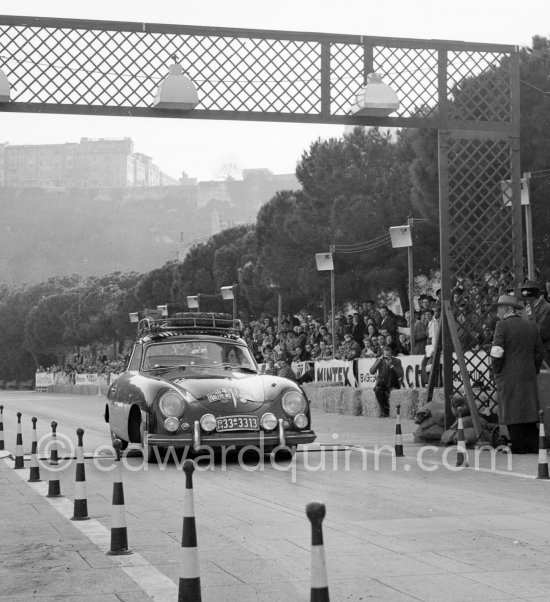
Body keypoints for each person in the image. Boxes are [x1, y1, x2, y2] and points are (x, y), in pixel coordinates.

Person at [491, 294, 544, 454]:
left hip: (508, 376)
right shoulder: (531, 326)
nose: (497, 313)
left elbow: (497, 352)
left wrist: (497, 371)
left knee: (512, 413)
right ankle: (535, 447)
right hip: (528, 376)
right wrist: (533, 369)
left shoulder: (502, 326)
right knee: (528, 413)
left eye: (499, 308)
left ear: (507, 308)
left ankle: (519, 448)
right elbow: (540, 352)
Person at [369, 346, 404, 417]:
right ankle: (386, 410)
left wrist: (391, 365)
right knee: (378, 390)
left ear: (391, 355)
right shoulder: (379, 360)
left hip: (393, 383)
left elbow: (400, 375)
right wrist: (378, 361)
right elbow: (371, 371)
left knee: (391, 373)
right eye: (385, 356)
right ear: (382, 355)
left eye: (388, 355)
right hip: (382, 383)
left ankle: (389, 391)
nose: (387, 357)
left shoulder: (397, 361)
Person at [521, 280, 550, 366]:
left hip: (544, 354)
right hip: (532, 353)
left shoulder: (547, 308)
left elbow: (542, 332)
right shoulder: (527, 308)